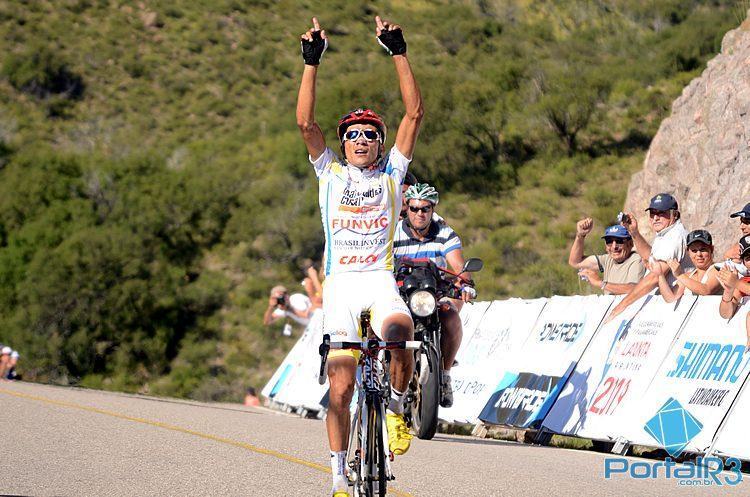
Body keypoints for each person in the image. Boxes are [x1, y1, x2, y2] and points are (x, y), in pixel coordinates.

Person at [296, 15, 423, 497]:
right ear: (343, 144)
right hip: (342, 287)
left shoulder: (392, 175)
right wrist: (312, 62)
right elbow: (306, 123)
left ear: (380, 143)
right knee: (342, 387)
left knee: (401, 332)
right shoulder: (328, 175)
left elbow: (414, 115)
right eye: (353, 135)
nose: (362, 140)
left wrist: (398, 51)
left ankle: (394, 408)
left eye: (371, 134)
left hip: (378, 279)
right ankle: (337, 477)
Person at [393, 183, 476, 408]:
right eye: (414, 208)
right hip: (400, 296)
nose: (419, 214)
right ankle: (379, 370)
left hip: (432, 295)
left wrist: (465, 283)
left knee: (450, 317)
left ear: (433, 209)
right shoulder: (392, 232)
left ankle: (445, 375)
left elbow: (458, 266)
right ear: (406, 208)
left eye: (425, 209)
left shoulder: (445, 233)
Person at [605, 193, 690, 321]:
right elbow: (651, 258)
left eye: (661, 213)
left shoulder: (675, 236)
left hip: (678, 306)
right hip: (670, 303)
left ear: (675, 215)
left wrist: (622, 306)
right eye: (652, 213)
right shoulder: (667, 233)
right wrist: (634, 233)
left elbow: (656, 275)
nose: (655, 218)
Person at [567, 219, 644, 295]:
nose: (614, 247)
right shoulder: (608, 259)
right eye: (609, 241)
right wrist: (580, 235)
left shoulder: (636, 260)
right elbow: (575, 262)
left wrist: (600, 283)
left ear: (630, 244)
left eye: (619, 241)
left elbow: (634, 289)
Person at [652, 229, 721, 302]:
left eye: (703, 249)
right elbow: (671, 298)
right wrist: (660, 275)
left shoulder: (718, 269)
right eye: (694, 250)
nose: (699, 254)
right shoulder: (688, 277)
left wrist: (679, 275)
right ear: (688, 252)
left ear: (711, 249)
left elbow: (706, 290)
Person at [717, 235, 750, 349]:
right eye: (748, 258)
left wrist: (735, 283)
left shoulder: (740, 282)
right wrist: (728, 291)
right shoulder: (744, 280)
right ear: (744, 263)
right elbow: (726, 314)